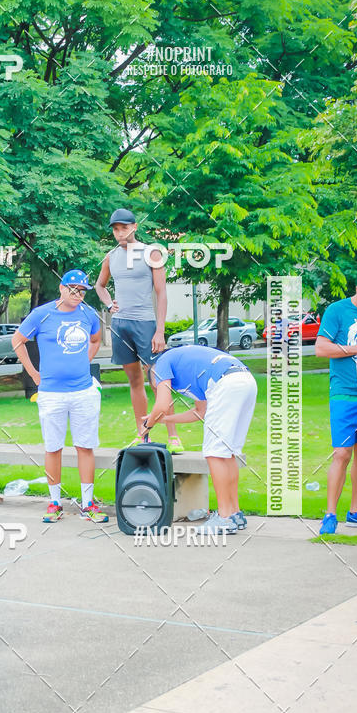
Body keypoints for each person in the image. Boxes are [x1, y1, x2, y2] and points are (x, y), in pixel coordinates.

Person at [12, 269, 109, 524]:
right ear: (62, 288)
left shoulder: (89, 314)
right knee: (53, 447)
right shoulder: (42, 314)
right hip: (51, 394)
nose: (77, 294)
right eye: (73, 289)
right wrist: (34, 374)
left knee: (85, 446)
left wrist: (83, 361)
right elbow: (17, 341)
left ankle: (88, 504)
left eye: (82, 290)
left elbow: (96, 339)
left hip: (83, 391)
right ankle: (55, 503)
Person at [143, 345, 257, 534]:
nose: (166, 387)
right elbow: (200, 412)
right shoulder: (190, 365)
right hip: (245, 380)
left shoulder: (160, 363)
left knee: (214, 453)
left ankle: (224, 517)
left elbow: (162, 404)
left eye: (158, 384)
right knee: (227, 453)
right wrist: (164, 420)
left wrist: (148, 425)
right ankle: (235, 513)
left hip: (226, 384)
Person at [95, 207, 183, 452]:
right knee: (135, 381)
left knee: (158, 380)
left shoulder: (151, 253)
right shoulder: (110, 257)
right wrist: (108, 302)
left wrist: (160, 331)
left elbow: (161, 293)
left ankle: (174, 436)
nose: (119, 233)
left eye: (124, 228)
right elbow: (99, 286)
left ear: (134, 227)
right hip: (120, 325)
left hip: (146, 324)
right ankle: (141, 434)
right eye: (115, 229)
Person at [316, 269, 357, 535]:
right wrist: (356, 348)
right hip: (343, 393)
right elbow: (320, 349)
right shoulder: (336, 311)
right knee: (342, 453)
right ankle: (330, 514)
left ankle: (356, 511)